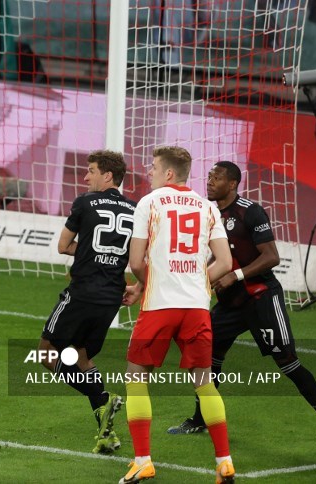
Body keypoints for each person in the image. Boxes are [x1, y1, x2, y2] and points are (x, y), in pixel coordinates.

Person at [167, 160, 316, 445]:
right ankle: (200, 419)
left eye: (216, 177)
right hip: (229, 303)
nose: (209, 181)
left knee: (287, 362)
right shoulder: (207, 213)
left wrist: (234, 275)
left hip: (260, 299)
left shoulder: (250, 211)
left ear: (232, 183)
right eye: (209, 176)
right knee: (205, 358)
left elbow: (271, 256)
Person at [119, 146, 235, 484]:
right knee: (205, 384)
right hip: (197, 307)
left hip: (159, 306)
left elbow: (137, 262)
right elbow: (225, 263)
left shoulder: (149, 202)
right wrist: (197, 282)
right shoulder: (206, 207)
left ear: (168, 173)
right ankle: (224, 462)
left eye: (154, 168)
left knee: (136, 378)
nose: (151, 173)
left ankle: (142, 460)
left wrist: (146, 284)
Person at [36, 150, 135, 454]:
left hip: (81, 294)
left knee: (46, 355)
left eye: (91, 170)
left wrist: (90, 251)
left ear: (107, 176)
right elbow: (138, 255)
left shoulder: (85, 202)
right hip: (111, 299)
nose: (86, 176)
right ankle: (107, 435)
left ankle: (103, 398)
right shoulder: (135, 209)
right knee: (82, 357)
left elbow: (64, 246)